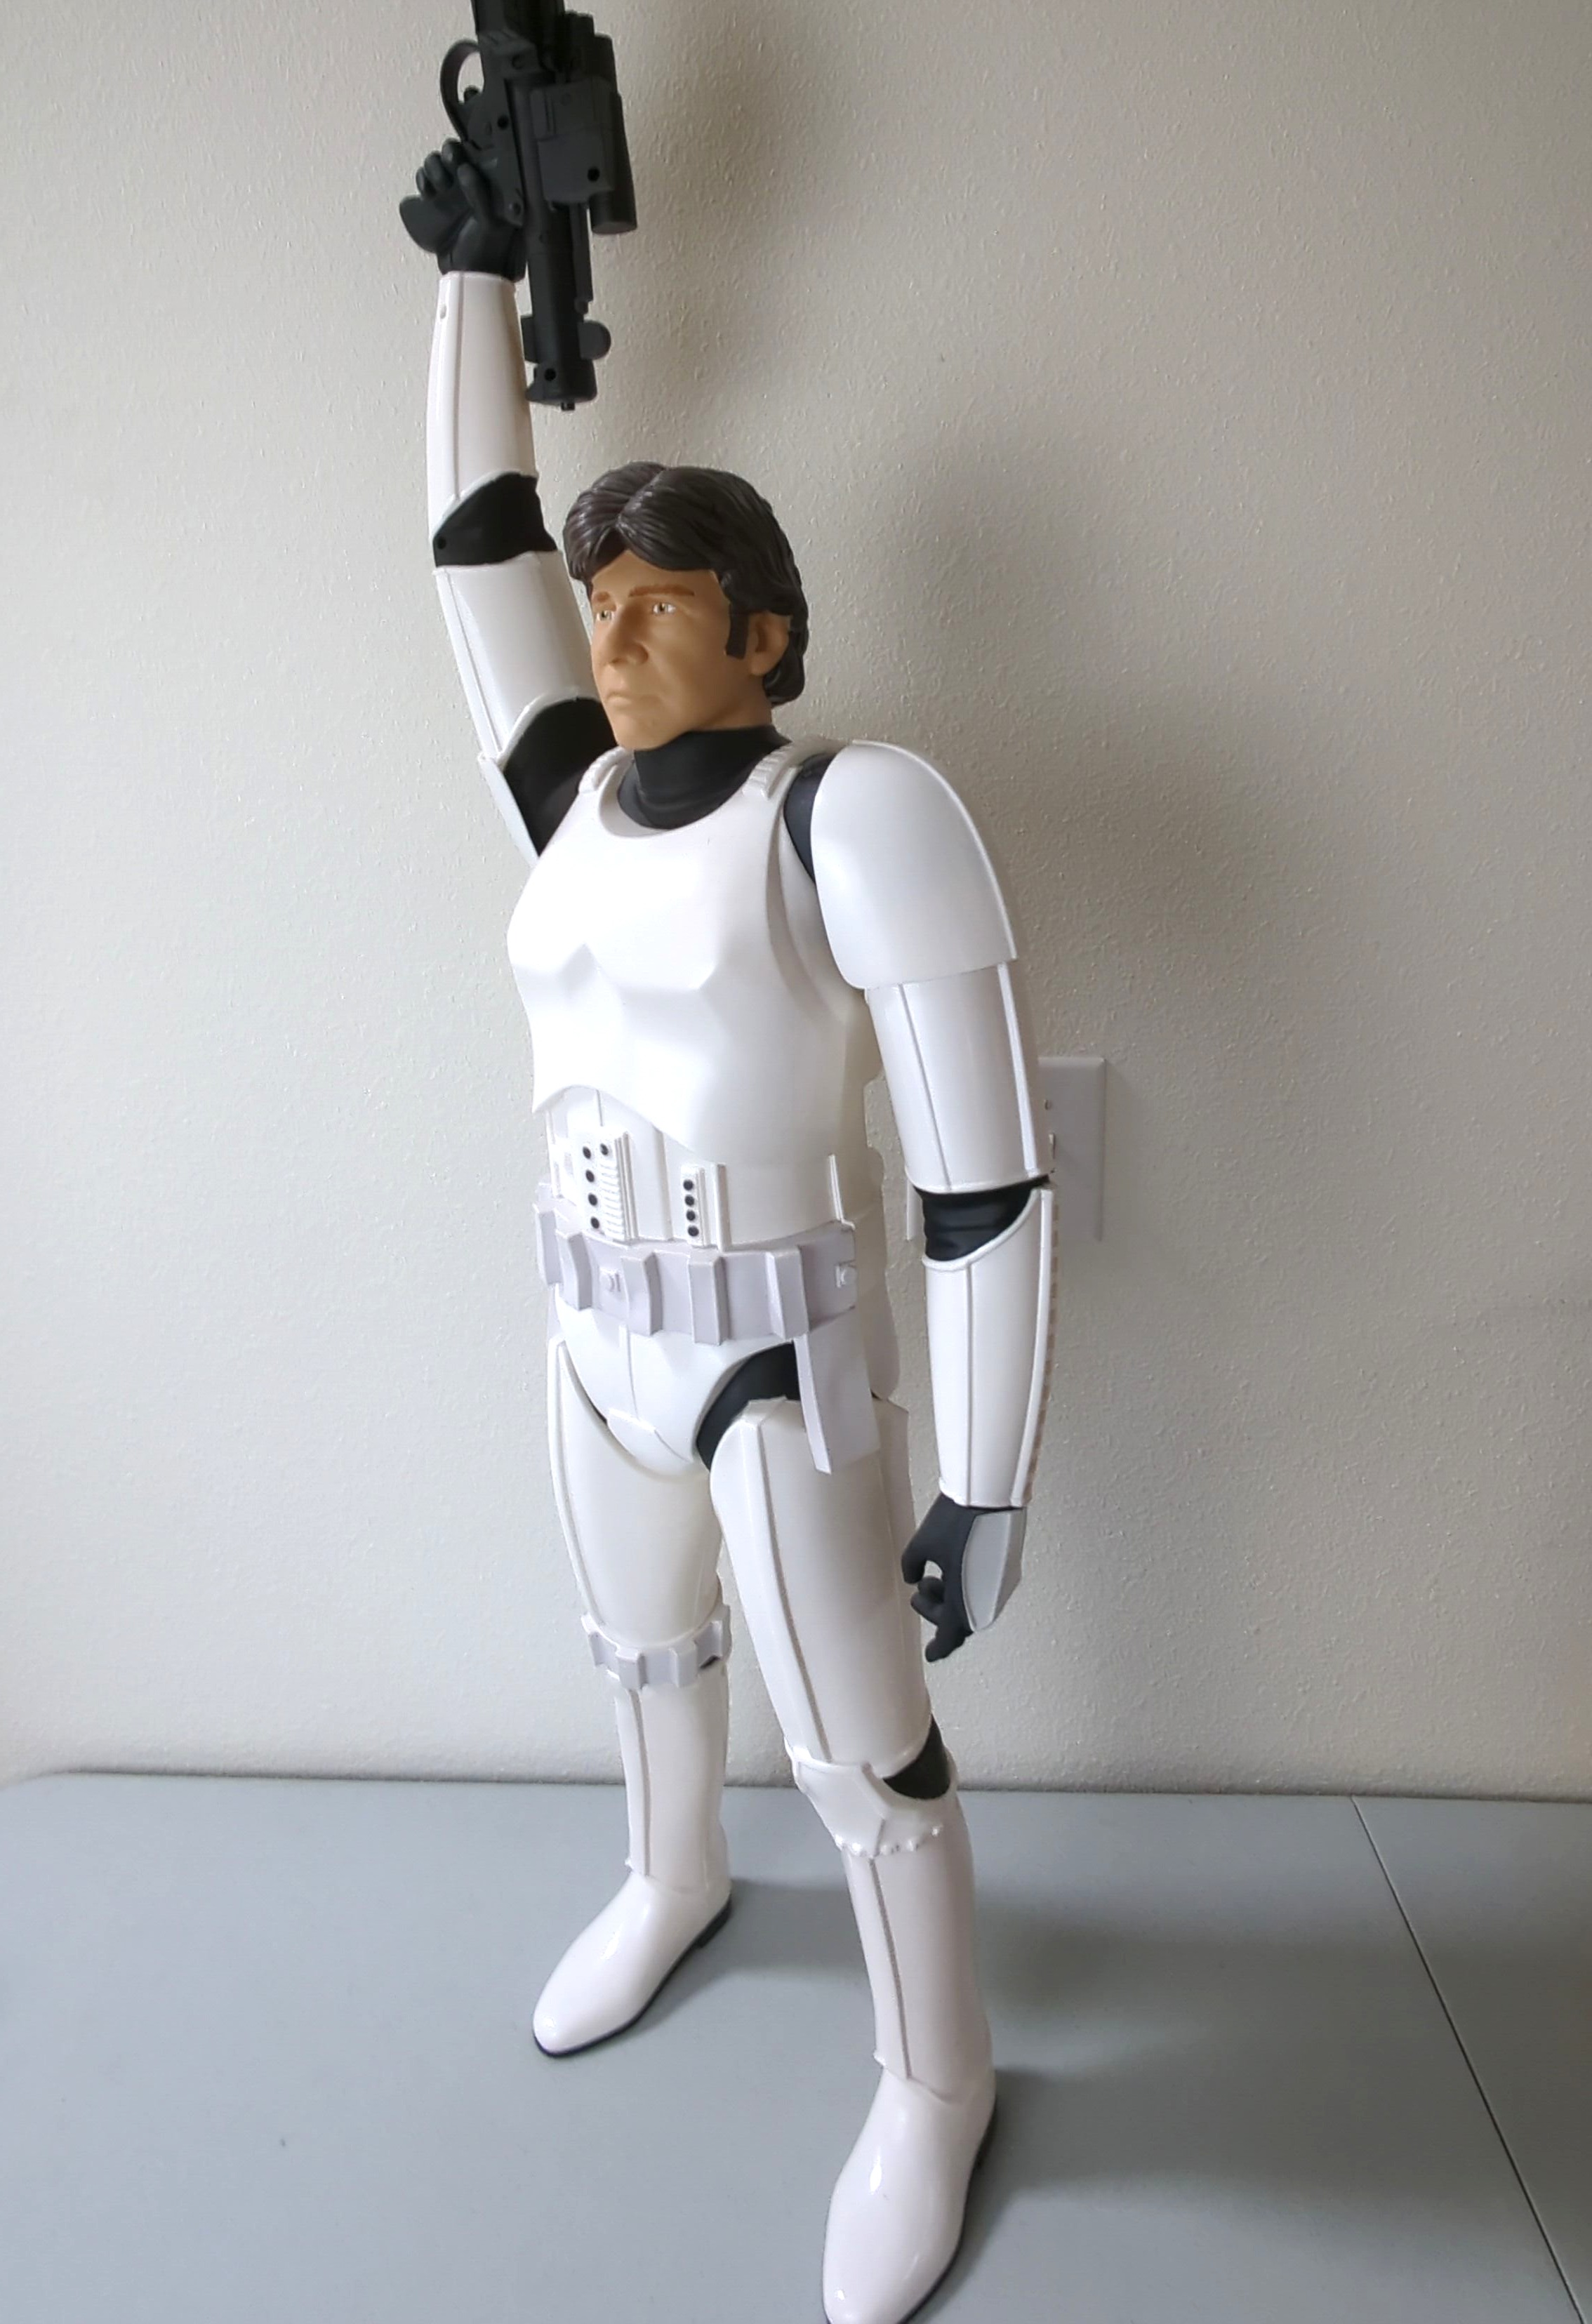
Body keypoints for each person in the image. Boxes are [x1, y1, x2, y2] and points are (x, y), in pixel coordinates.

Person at [407, 143, 1054, 2324]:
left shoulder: (854, 814)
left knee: (861, 1747)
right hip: (592, 1329)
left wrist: (986, 1478)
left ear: (759, 634)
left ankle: (934, 2077)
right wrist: (470, 278)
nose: (607, 640)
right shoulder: (571, 803)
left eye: (655, 609)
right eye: (601, 608)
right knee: (638, 1655)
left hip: (778, 1352)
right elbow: (472, 550)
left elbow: (979, 1175)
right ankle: (668, 1875)